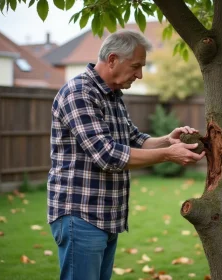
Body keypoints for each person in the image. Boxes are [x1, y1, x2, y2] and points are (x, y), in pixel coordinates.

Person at [47, 29, 205, 280]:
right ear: (112, 60)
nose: (140, 74)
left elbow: (135, 140)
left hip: (107, 216)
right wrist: (168, 154)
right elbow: (108, 155)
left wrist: (168, 140)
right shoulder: (79, 93)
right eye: (136, 66)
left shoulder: (113, 97)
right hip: (81, 215)